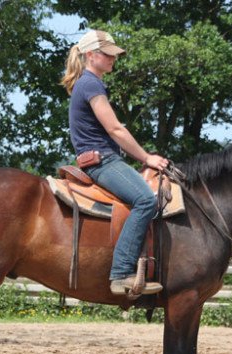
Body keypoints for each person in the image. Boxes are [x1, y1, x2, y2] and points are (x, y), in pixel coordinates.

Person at [61, 30, 168, 296]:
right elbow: (115, 130)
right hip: (102, 161)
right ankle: (121, 273)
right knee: (146, 200)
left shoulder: (86, 83)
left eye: (113, 54)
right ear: (90, 55)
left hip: (100, 158)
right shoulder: (91, 84)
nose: (113, 59)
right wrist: (147, 158)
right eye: (107, 54)